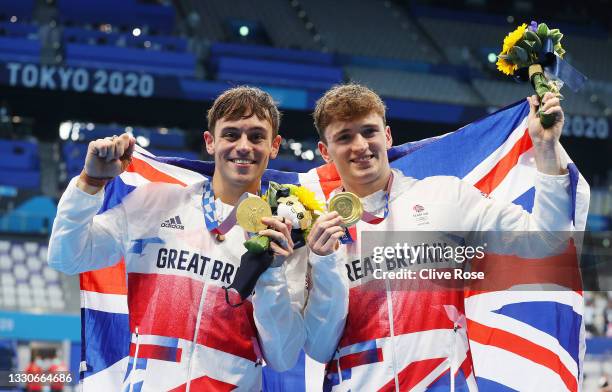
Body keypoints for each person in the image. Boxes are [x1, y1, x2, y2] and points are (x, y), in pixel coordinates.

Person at [47, 86, 346, 390]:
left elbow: (282, 356)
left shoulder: (286, 235)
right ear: (210, 142)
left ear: (274, 146)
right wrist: (90, 183)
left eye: (257, 137)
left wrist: (271, 272)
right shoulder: (154, 203)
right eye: (231, 135)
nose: (243, 146)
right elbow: (67, 256)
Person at [304, 83, 583, 390]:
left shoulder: (446, 197)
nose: (360, 145)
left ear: (387, 136)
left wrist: (544, 151)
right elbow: (318, 348)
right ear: (325, 152)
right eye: (344, 137)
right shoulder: (315, 232)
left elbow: (544, 242)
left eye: (369, 132)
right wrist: (324, 263)